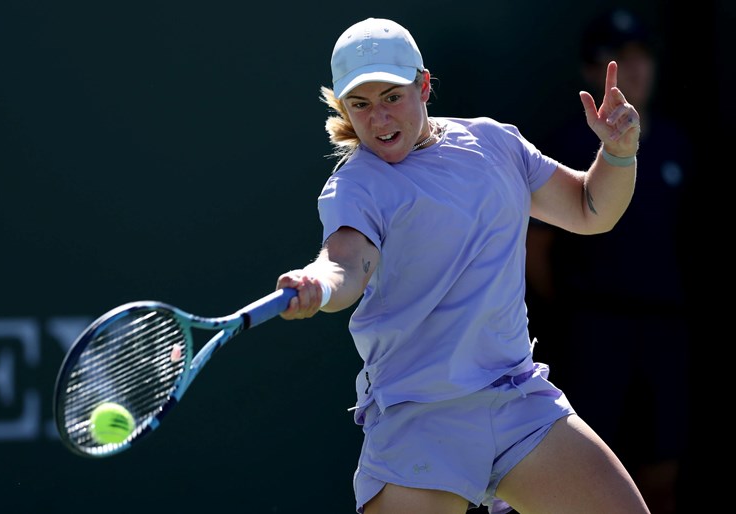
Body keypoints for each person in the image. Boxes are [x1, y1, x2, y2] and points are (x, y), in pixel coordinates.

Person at [276, 17, 649, 514]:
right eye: (360, 105)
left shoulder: (495, 144)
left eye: (392, 97)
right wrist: (317, 284)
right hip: (421, 420)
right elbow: (345, 263)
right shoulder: (356, 186)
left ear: (424, 85)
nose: (379, 120)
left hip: (519, 402)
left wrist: (618, 154)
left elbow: (589, 208)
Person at [525, 9, 693, 514]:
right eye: (617, 61)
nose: (634, 71)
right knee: (593, 478)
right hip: (593, 333)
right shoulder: (561, 146)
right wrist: (571, 314)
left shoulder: (679, 145)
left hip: (665, 333)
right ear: (589, 72)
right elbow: (537, 248)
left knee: (662, 471)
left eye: (642, 58)